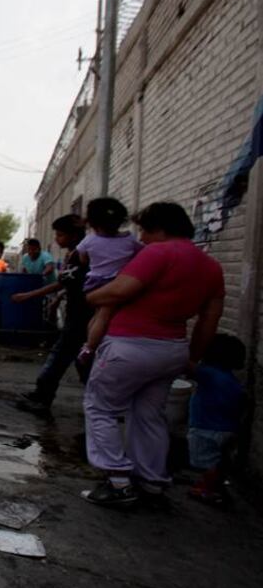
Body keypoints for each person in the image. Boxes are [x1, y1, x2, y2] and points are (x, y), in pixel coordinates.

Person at [83, 202, 224, 506]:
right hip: (172, 348)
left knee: (101, 407)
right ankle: (151, 482)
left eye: (145, 230)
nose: (142, 238)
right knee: (149, 415)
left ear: (161, 228)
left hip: (130, 346)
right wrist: (192, 358)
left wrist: (90, 296)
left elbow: (120, 291)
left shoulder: (158, 254)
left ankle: (118, 481)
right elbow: (208, 321)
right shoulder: (211, 266)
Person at [12, 215, 90, 414]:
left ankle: (42, 397)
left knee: (60, 357)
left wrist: (28, 295)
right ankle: (97, 399)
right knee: (81, 360)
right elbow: (73, 284)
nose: (57, 239)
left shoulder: (80, 255)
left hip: (81, 316)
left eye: (60, 234)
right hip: (81, 314)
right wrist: (58, 299)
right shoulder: (78, 254)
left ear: (73, 235)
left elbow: (61, 283)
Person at [74, 198, 144, 364]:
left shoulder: (89, 240)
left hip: (93, 283)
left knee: (99, 314)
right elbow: (142, 254)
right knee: (104, 314)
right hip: (116, 283)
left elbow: (82, 259)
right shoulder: (129, 239)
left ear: (91, 222)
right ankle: (90, 347)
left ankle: (88, 344)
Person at [187, 334, 246, 506]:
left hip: (205, 428)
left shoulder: (208, 374)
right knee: (218, 461)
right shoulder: (232, 380)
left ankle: (212, 490)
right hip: (228, 429)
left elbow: (184, 366)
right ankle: (213, 485)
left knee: (206, 463)